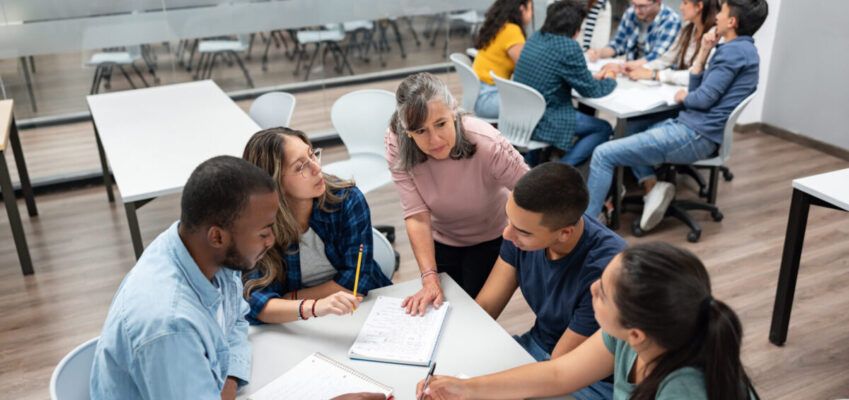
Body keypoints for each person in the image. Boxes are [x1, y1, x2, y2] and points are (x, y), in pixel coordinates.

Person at [417, 242, 761, 400]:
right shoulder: (631, 336)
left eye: (602, 293)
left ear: (637, 333)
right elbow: (558, 374)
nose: (592, 286)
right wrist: (467, 388)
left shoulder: (684, 390)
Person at [90, 156, 276, 399]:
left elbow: (235, 321)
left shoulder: (201, 249)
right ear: (217, 237)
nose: (272, 240)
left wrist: (228, 384)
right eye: (264, 233)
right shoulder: (171, 326)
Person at [586, 0, 768, 232]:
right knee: (631, 128)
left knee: (603, 153)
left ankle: (587, 232)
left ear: (732, 21)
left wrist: (685, 97)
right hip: (696, 129)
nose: (717, 17)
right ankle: (651, 188)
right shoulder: (744, 50)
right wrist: (703, 52)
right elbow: (700, 89)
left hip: (695, 134)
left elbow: (700, 98)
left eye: (722, 12)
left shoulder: (732, 53)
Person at [475, 162, 626, 399]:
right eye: (509, 220)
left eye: (522, 231)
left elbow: (558, 369)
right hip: (540, 347)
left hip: (584, 377)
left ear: (565, 233)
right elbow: (485, 306)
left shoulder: (605, 272)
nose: (507, 234)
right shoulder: (521, 230)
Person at [385, 72, 529, 315]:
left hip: (492, 237)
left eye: (441, 124)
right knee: (441, 311)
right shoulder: (397, 142)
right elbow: (417, 215)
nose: (434, 139)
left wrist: (518, 236)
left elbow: (533, 192)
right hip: (442, 237)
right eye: (420, 131)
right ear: (406, 130)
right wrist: (429, 277)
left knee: (474, 316)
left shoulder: (487, 142)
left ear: (454, 111)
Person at [242, 127, 392, 325]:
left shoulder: (347, 199)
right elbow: (256, 303)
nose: (316, 168)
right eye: (300, 167)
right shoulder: (256, 224)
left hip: (361, 310)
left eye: (312, 154)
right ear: (274, 182)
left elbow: (354, 284)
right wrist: (314, 307)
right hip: (299, 323)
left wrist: (288, 301)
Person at [513, 0, 617, 167]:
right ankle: (560, 169)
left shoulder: (535, 38)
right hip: (547, 119)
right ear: (576, 30)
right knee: (603, 128)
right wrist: (611, 77)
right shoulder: (568, 47)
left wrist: (589, 77)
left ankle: (537, 166)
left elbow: (556, 72)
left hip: (523, 115)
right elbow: (592, 91)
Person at [626, 0, 721, 86]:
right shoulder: (688, 28)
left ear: (699, 6)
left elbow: (694, 75)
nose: (680, 8)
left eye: (685, 3)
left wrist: (655, 75)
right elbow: (667, 58)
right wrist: (643, 68)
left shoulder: (714, 37)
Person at [471, 0, 534, 119]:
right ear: (522, 9)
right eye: (531, 9)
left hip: (478, 94)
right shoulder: (512, 31)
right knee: (536, 105)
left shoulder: (499, 26)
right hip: (488, 99)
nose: (532, 14)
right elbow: (527, 68)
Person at [586, 0, 681, 71]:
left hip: (655, 74)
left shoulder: (671, 20)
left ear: (658, 2)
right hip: (632, 71)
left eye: (642, 6)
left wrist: (622, 67)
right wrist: (600, 53)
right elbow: (618, 45)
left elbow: (656, 58)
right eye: (634, 5)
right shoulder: (630, 13)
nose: (637, 10)